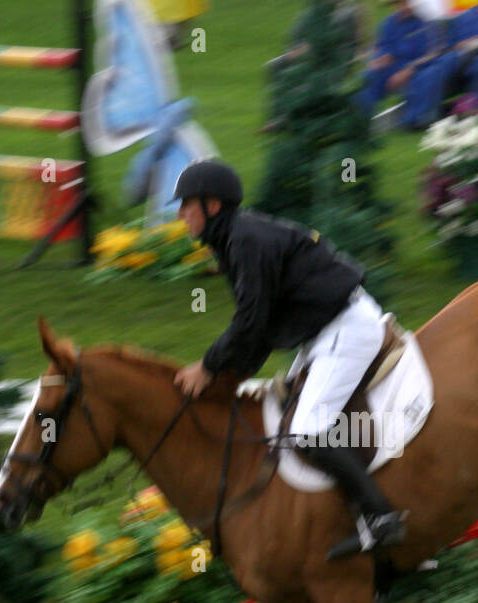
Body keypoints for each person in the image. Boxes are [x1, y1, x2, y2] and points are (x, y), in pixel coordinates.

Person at [171, 159, 408, 559]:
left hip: (346, 330)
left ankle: (381, 517)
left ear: (212, 205)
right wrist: (232, 374)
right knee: (287, 416)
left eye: (185, 205)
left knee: (307, 431)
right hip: (325, 332)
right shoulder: (235, 237)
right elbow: (261, 324)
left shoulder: (243, 240)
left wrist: (210, 366)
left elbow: (250, 321)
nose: (179, 214)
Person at [355, 0, 452, 130]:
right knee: (366, 76)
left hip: (418, 67)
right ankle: (361, 124)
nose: (403, 7)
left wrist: (408, 70)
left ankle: (415, 120)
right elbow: (382, 47)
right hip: (393, 68)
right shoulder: (388, 23)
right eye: (398, 4)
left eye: (406, 3)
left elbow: (434, 53)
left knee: (431, 73)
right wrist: (379, 60)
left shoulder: (427, 23)